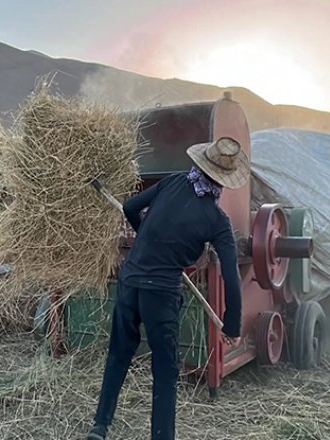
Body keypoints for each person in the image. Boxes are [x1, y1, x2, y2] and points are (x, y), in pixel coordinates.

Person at [87, 138, 247, 440]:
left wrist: (146, 232)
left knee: (119, 354)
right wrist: (232, 324)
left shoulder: (172, 182)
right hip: (161, 294)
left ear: (201, 164)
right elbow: (230, 275)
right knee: (165, 370)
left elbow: (131, 207)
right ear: (225, 181)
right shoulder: (218, 221)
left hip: (130, 280)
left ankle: (100, 426)